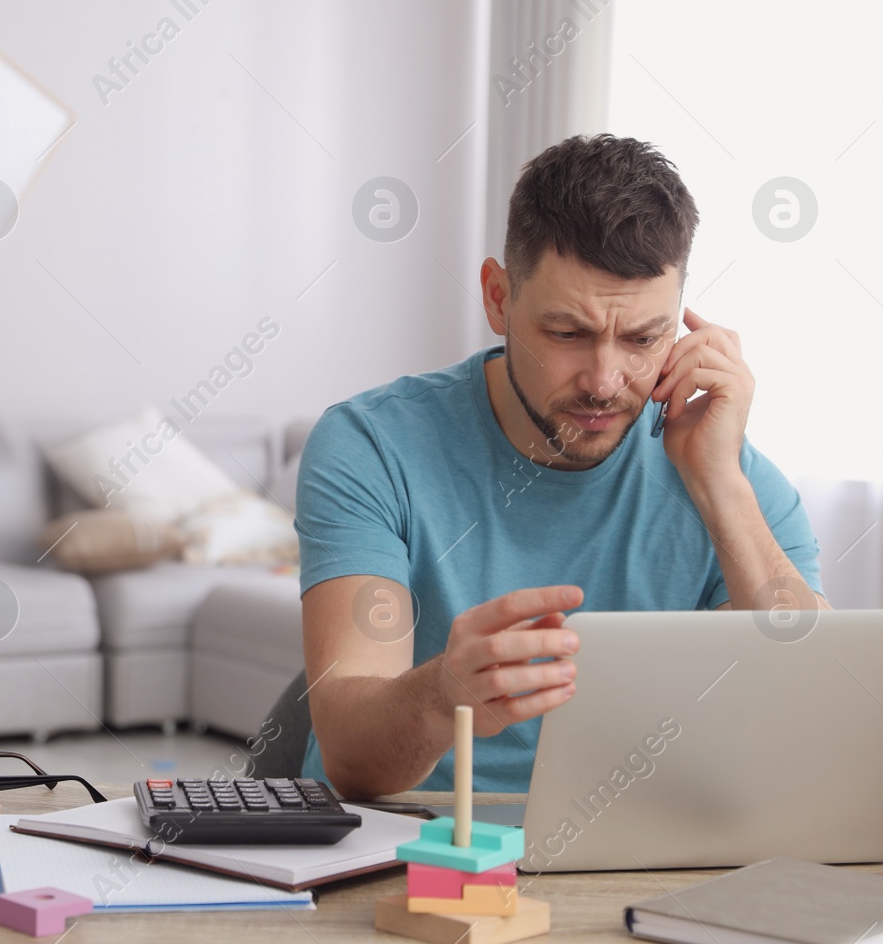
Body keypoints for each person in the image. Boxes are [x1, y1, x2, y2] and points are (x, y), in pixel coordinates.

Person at [297, 134, 828, 799]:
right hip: (412, 853)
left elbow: (812, 726)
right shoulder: (373, 446)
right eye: (567, 334)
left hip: (635, 865)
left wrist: (722, 486)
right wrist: (443, 695)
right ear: (498, 297)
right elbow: (349, 757)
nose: (605, 381)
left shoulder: (732, 475)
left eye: (642, 338)